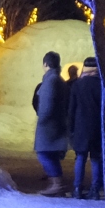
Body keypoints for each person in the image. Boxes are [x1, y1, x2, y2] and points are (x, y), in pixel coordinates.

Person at [33, 50, 69, 196]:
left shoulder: (50, 81)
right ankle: (57, 183)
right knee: (51, 153)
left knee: (43, 153)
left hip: (49, 125)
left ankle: (57, 184)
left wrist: (42, 119)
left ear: (45, 64)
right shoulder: (58, 79)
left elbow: (46, 105)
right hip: (57, 122)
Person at [67, 56, 104, 200]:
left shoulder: (77, 85)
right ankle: (95, 190)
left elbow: (72, 109)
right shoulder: (102, 85)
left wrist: (70, 128)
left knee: (80, 158)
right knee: (95, 159)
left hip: (81, 127)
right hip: (97, 127)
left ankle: (77, 188)